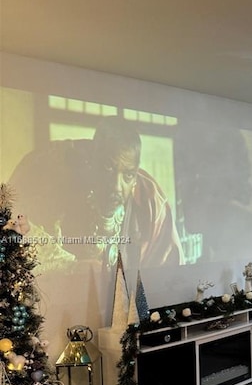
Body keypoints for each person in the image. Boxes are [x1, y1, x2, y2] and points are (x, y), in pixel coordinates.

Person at [9, 116, 184, 271]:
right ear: (92, 160)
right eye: (108, 168)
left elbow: (167, 273)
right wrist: (72, 269)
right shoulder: (49, 172)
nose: (116, 186)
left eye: (128, 175)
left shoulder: (150, 201)